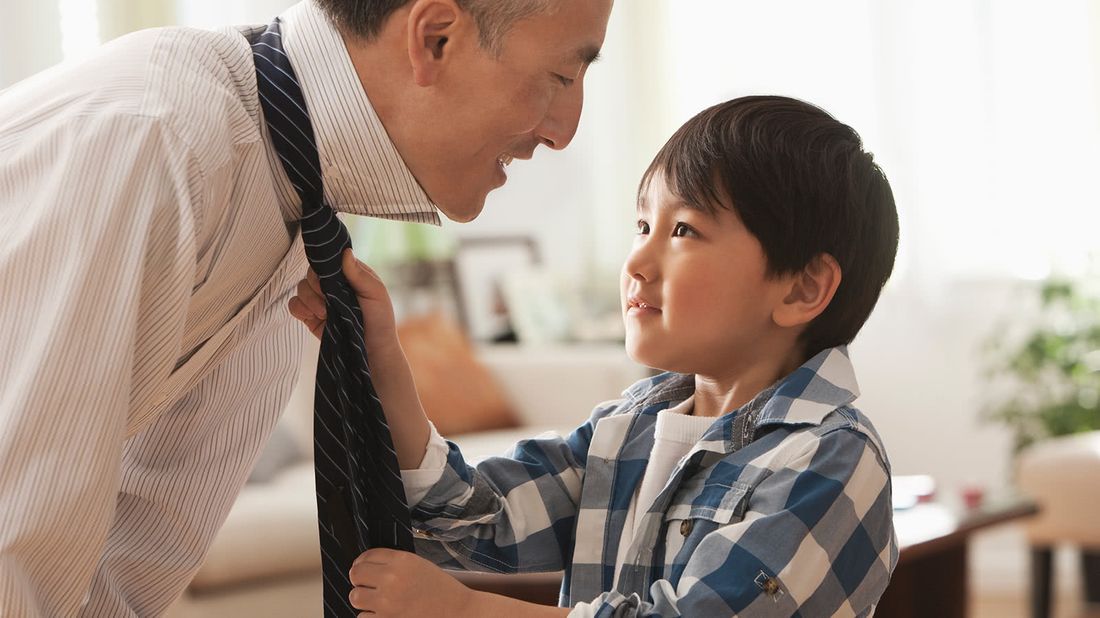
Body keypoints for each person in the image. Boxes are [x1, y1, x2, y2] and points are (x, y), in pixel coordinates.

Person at [0, 0, 612, 615]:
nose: (565, 130)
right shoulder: (152, 140)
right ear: (434, 39)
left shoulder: (295, 206)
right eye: (562, 76)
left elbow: (123, 564)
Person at [290, 95, 901, 616]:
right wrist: (384, 360)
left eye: (683, 230)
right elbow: (476, 520)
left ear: (802, 288)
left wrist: (464, 608)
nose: (636, 262)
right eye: (642, 226)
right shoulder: (629, 425)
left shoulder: (832, 459)